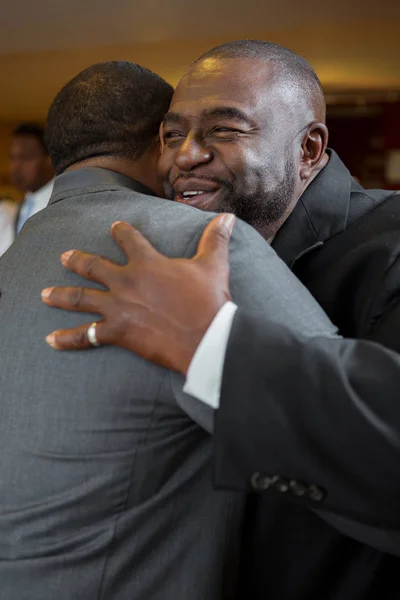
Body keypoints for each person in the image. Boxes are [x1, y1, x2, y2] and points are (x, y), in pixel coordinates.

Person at [42, 41, 400, 600]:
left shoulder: (391, 246)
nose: (183, 157)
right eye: (171, 134)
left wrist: (209, 345)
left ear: (309, 150)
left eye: (224, 131)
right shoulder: (188, 249)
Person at [8, 122, 54, 236]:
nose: (16, 166)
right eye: (12, 157)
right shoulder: (18, 208)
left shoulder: (61, 203)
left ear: (49, 159)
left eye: (25, 157)